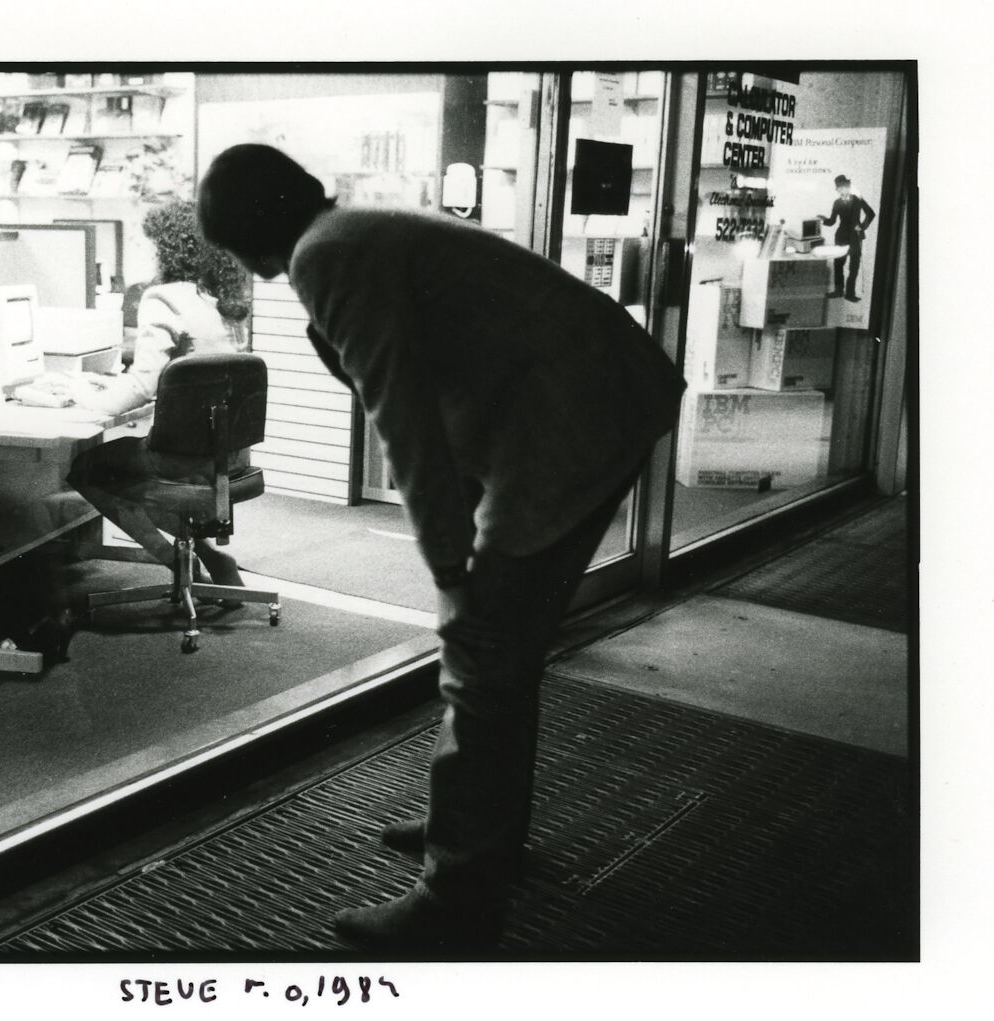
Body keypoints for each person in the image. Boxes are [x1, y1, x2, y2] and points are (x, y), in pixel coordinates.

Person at [197, 144, 686, 949]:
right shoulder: (351, 231)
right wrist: (460, 544)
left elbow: (404, 419)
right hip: (594, 396)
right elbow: (434, 387)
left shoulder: (327, 257)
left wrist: (451, 561)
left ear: (248, 238)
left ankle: (457, 897)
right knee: (502, 647)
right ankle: (479, 833)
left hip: (572, 418)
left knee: (484, 643)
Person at [64, 200, 252, 594]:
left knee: (87, 470)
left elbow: (142, 386)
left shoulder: (164, 298)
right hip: (229, 457)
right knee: (137, 472)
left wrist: (81, 399)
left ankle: (176, 566)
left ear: (170, 248)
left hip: (184, 462)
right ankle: (214, 559)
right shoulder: (227, 300)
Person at [821, 173, 875, 302]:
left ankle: (849, 294)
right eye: (838, 188)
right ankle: (839, 291)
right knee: (839, 264)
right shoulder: (837, 202)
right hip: (841, 236)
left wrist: (862, 226)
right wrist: (823, 220)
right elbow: (832, 221)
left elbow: (871, 214)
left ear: (848, 186)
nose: (840, 190)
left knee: (854, 266)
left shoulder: (857, 199)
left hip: (855, 237)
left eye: (842, 187)